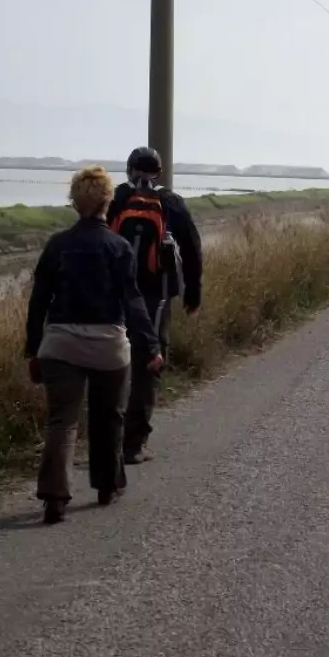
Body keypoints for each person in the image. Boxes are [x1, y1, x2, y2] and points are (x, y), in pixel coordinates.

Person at [25, 166, 163, 524]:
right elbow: (133, 302)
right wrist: (150, 346)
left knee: (62, 421)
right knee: (108, 417)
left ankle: (55, 498)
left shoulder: (57, 244)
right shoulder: (118, 247)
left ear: (74, 202)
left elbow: (38, 300)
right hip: (107, 345)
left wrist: (32, 349)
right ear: (107, 202)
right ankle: (106, 485)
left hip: (60, 344)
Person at [108, 147, 203, 464]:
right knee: (150, 364)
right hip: (157, 296)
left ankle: (108, 439)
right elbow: (191, 247)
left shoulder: (118, 198)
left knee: (114, 363)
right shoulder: (171, 202)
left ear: (129, 169)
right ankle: (134, 445)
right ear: (159, 173)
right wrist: (193, 292)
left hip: (116, 295)